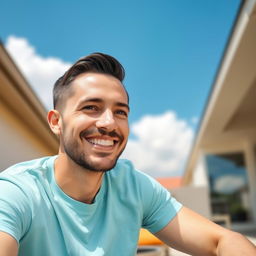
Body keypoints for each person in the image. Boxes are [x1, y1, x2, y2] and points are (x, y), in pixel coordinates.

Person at [0, 53, 255, 256]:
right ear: (56, 121)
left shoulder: (134, 187)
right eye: (91, 107)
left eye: (120, 112)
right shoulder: (17, 193)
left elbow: (223, 241)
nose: (109, 123)